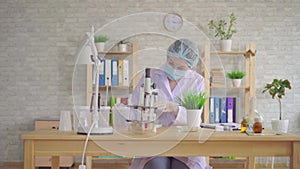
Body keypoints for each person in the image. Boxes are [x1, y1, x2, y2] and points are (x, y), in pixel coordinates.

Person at [129, 39, 207, 169]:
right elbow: (134, 107)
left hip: (184, 141)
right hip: (156, 140)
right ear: (167, 58)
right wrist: (144, 117)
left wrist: (176, 109)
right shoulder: (151, 76)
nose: (174, 69)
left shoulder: (197, 81)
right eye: (171, 63)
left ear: (190, 66)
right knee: (156, 166)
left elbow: (195, 119)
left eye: (181, 67)